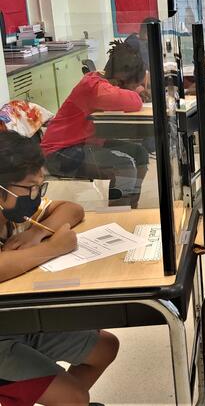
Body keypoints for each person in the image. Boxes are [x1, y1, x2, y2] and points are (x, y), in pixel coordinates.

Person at [0, 131, 119, 406]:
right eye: (29, 188)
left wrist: (35, 235)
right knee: (76, 397)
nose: (34, 196)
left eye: (39, 187)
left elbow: (72, 209)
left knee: (105, 347)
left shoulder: (15, 213)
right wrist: (53, 248)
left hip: (18, 321)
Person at [42, 41, 149, 208]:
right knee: (124, 165)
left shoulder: (99, 80)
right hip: (59, 153)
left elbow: (128, 95)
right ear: (121, 79)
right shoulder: (96, 89)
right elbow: (134, 102)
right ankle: (120, 212)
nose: (138, 88)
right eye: (135, 84)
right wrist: (137, 92)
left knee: (139, 153)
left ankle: (130, 206)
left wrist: (135, 88)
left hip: (86, 143)